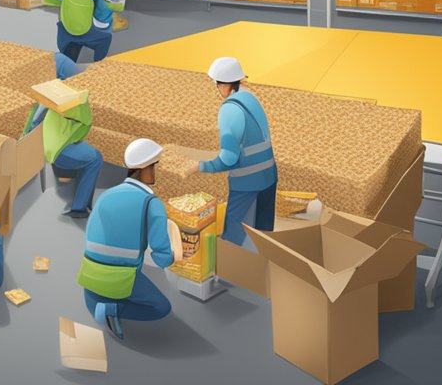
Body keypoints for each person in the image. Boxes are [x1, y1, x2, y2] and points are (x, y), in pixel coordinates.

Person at [79, 138, 175, 341]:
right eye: (154, 166)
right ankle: (111, 309)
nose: (156, 172)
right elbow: (162, 257)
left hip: (90, 276)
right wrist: (177, 254)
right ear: (145, 168)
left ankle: (98, 303)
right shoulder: (151, 203)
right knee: (161, 308)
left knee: (97, 295)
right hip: (120, 278)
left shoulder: (106, 195)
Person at [195, 57, 277, 246]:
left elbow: (229, 159)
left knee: (233, 232)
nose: (217, 90)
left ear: (224, 85)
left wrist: (200, 166)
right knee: (263, 232)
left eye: (217, 85)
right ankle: (263, 269)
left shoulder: (229, 110)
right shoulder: (250, 97)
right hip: (269, 175)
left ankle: (229, 273)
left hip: (248, 180)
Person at [24, 92, 103, 219]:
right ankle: (79, 208)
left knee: (83, 155)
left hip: (42, 147)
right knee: (95, 159)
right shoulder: (79, 102)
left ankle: (79, 197)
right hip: (58, 152)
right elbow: (84, 127)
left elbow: (33, 122)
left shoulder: (45, 98)